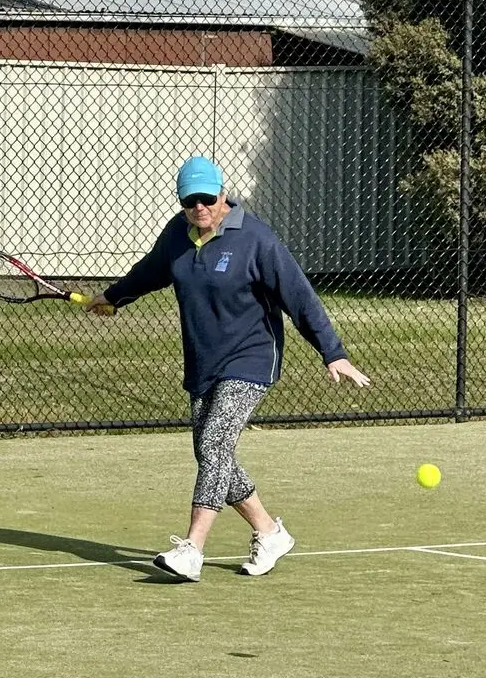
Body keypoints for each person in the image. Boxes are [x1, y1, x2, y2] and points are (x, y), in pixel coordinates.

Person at [84, 156, 370, 582]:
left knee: (216, 438)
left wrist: (333, 352)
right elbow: (150, 271)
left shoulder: (256, 240)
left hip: (251, 358)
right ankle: (269, 531)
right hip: (204, 360)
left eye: (206, 198)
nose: (199, 207)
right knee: (212, 452)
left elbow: (300, 297)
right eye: (189, 200)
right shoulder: (177, 237)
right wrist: (113, 297)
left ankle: (192, 549)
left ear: (222, 194)